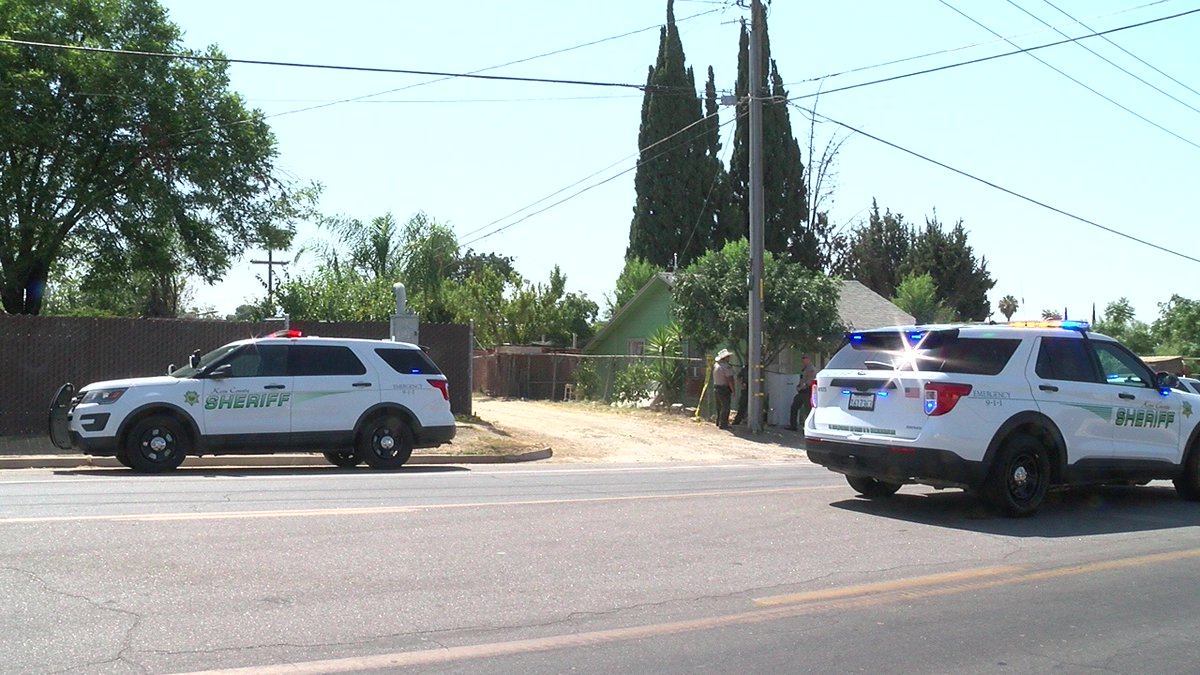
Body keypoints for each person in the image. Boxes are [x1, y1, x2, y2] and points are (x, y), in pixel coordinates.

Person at [787, 354, 817, 431]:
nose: (803, 360)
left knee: (808, 410)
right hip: (801, 392)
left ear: (809, 359)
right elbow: (802, 379)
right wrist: (798, 386)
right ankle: (793, 425)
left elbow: (810, 381)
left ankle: (808, 428)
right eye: (802, 358)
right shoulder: (804, 368)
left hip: (807, 392)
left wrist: (802, 386)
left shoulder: (811, 369)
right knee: (794, 407)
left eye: (805, 358)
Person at [712, 349, 735, 429]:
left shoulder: (716, 365)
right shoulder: (726, 367)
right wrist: (733, 390)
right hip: (724, 388)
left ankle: (718, 421)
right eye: (727, 357)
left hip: (716, 387)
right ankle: (723, 424)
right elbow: (730, 379)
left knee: (719, 406)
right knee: (726, 406)